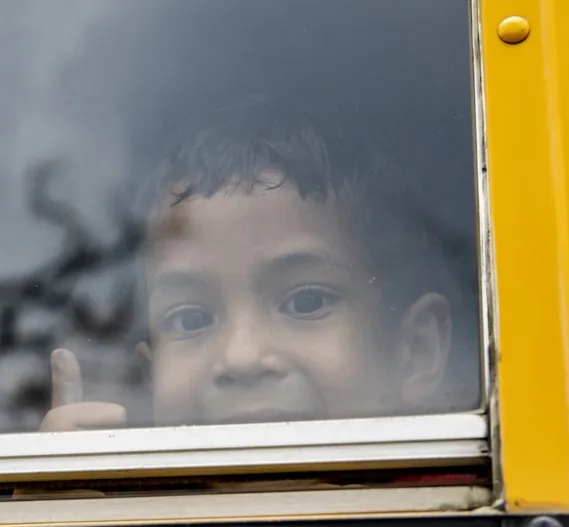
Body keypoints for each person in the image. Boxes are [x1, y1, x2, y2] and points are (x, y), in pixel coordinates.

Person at [40, 94, 471, 435]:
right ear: (148, 381)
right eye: (190, 319)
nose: (242, 357)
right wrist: (58, 511)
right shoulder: (123, 520)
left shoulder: (464, 515)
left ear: (417, 351)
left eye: (305, 302)